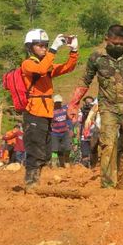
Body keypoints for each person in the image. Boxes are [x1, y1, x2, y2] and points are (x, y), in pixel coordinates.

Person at [68, 24, 123, 189]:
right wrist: (74, 103)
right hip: (108, 108)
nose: (118, 47)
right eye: (115, 43)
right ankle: (107, 185)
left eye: (122, 43)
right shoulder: (96, 57)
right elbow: (85, 81)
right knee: (108, 145)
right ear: (107, 39)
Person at [20, 29, 78, 189]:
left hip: (46, 113)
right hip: (34, 112)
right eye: (39, 45)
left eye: (45, 45)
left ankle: (35, 182)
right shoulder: (28, 64)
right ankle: (31, 183)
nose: (44, 48)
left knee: (44, 151)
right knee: (35, 149)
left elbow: (67, 67)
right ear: (30, 47)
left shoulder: (46, 65)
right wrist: (53, 49)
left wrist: (74, 51)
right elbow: (41, 69)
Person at [51, 95, 73, 167]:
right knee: (54, 149)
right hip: (55, 133)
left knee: (68, 148)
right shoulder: (51, 112)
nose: (58, 104)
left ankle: (66, 160)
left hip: (65, 132)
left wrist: (71, 129)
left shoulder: (65, 110)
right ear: (54, 103)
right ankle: (54, 164)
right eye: (56, 102)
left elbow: (69, 119)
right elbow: (49, 122)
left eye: (59, 102)